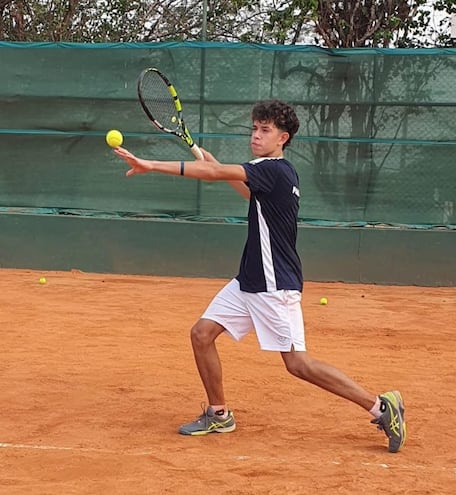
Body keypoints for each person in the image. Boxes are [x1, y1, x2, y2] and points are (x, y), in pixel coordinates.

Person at [114, 99, 406, 453]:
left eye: (264, 130)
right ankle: (218, 412)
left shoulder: (276, 170)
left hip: (274, 284)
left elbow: (216, 175)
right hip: (249, 279)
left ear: (282, 138)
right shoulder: (268, 173)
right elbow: (245, 190)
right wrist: (218, 167)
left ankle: (379, 406)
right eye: (254, 128)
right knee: (202, 334)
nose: (256, 135)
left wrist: (152, 164)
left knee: (298, 364)